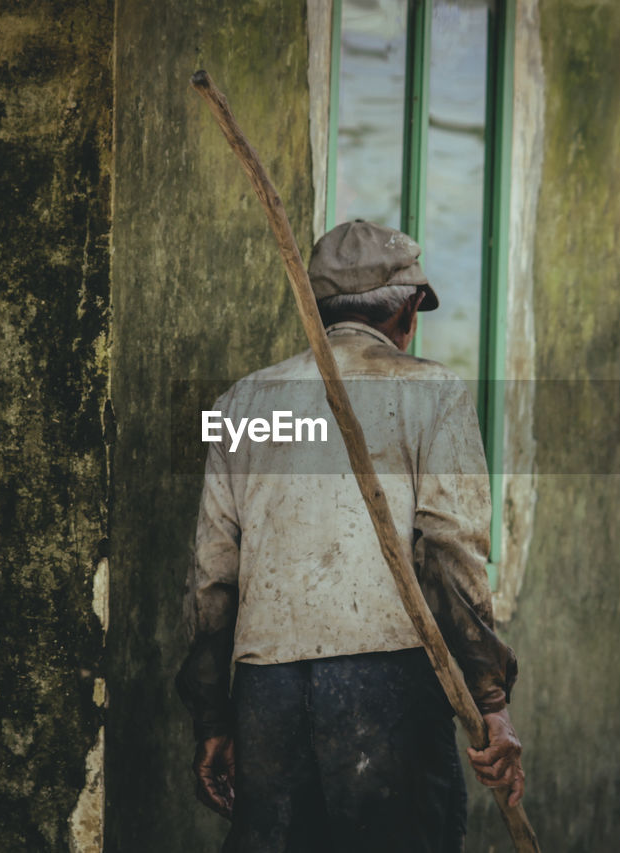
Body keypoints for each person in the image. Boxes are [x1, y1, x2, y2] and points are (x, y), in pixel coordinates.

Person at [176, 220, 523, 853]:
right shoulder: (434, 393)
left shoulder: (242, 404)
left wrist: (213, 719)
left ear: (317, 308)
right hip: (391, 685)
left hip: (265, 696)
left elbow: (211, 578)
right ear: (409, 311)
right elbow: (451, 557)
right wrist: (489, 698)